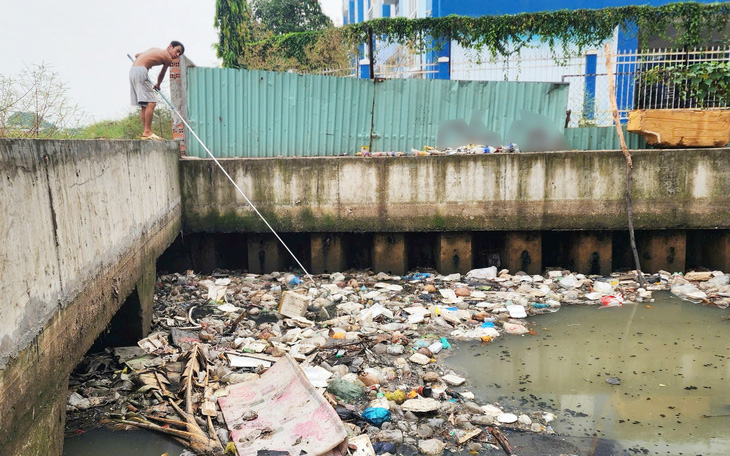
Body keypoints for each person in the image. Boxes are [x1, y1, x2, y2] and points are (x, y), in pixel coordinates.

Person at [129, 41, 185, 140]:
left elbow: (137, 55)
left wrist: (148, 62)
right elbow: (162, 74)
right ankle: (147, 132)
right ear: (170, 46)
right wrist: (158, 85)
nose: (176, 55)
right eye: (177, 51)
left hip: (133, 71)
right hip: (141, 71)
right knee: (152, 102)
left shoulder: (154, 49)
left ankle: (146, 132)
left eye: (179, 54)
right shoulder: (167, 58)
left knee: (144, 105)